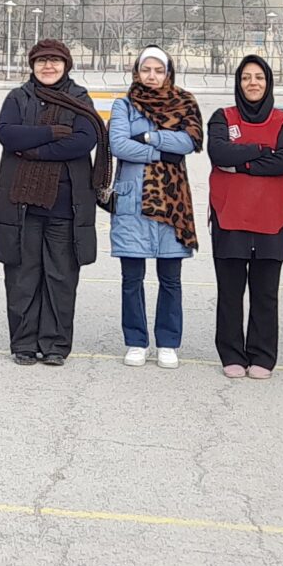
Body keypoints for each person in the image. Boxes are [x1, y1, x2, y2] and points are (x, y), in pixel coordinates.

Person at [0, 39, 105, 366]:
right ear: (32, 65)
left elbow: (83, 141)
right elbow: (8, 134)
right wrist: (54, 132)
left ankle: (55, 344)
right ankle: (24, 343)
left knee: (61, 278)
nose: (48, 66)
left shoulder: (80, 98)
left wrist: (34, 150)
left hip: (66, 207)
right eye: (42, 61)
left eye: (55, 60)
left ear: (66, 65)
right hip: (22, 205)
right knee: (22, 277)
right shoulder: (18, 97)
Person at [206, 54, 283, 379]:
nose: (253, 83)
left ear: (268, 82)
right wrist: (261, 150)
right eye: (246, 77)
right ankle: (231, 353)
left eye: (259, 77)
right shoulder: (222, 117)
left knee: (265, 292)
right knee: (230, 291)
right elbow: (219, 153)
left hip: (272, 217)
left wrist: (240, 164)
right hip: (229, 215)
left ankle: (262, 355)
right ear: (239, 82)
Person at [110, 46, 200, 369]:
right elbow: (118, 144)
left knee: (170, 278)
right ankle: (136, 341)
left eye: (158, 70)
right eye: (146, 69)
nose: (152, 76)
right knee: (131, 278)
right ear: (137, 72)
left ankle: (168, 342)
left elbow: (189, 142)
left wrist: (147, 137)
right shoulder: (123, 105)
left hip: (172, 203)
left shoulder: (185, 103)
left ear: (168, 73)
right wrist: (163, 151)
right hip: (133, 201)